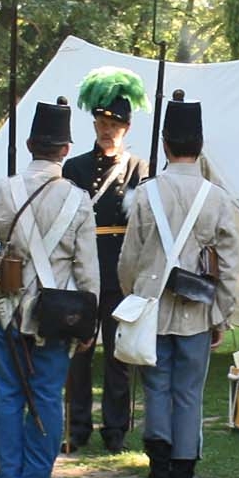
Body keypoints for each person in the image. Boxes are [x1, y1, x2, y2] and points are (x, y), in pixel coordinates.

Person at [0, 97, 100, 478]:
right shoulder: (78, 199)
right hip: (57, 316)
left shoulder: (3, 190)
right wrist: (88, 325)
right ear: (66, 150)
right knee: (47, 395)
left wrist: (2, 263)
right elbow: (88, 272)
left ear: (29, 146)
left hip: (8, 310)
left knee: (8, 395)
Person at [116, 90, 237, 478]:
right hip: (198, 311)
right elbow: (229, 265)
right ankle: (184, 475)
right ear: (199, 146)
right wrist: (221, 313)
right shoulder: (217, 198)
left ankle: (158, 473)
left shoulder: (146, 192)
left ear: (165, 144)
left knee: (156, 389)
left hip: (151, 307)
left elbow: (129, 259)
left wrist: (133, 296)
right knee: (189, 393)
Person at [62, 67, 151, 452]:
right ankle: (78, 427)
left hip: (120, 270)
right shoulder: (75, 167)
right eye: (101, 122)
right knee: (78, 353)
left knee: (119, 353)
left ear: (126, 128)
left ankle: (115, 429)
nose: (106, 130)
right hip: (84, 266)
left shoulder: (138, 168)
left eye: (114, 124)